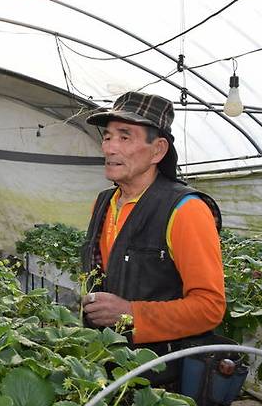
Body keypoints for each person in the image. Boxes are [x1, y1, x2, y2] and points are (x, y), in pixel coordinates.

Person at [80, 92, 226, 388]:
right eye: (107, 137)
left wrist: (132, 313)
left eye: (125, 137)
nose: (110, 148)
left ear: (158, 150)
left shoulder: (186, 210)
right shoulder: (105, 202)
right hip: (108, 365)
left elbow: (209, 307)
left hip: (160, 379)